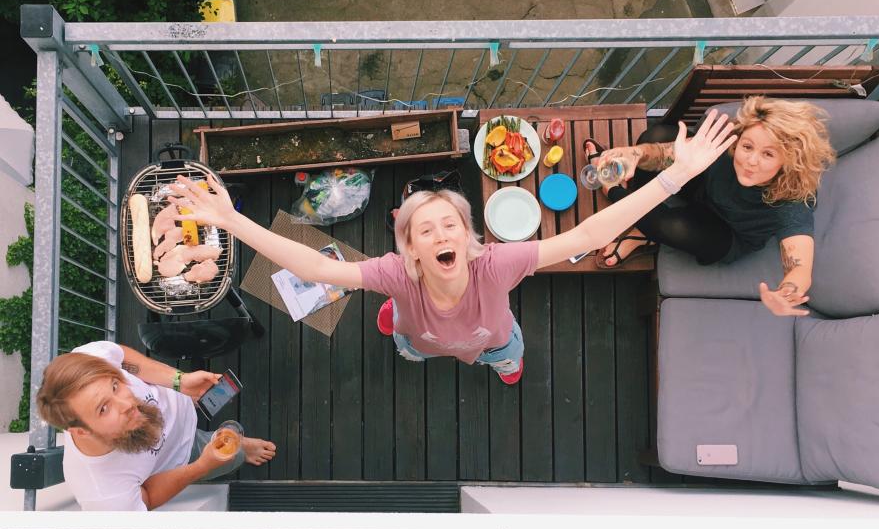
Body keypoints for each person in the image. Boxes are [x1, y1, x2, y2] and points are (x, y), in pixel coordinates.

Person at [170, 113, 736, 384]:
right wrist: (227, 220)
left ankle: (503, 365)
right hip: (424, 336)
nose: (443, 234)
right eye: (427, 229)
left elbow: (585, 238)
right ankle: (403, 334)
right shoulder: (397, 274)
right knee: (412, 346)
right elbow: (315, 264)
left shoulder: (499, 263)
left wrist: (672, 179)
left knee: (505, 355)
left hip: (491, 339)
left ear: (471, 240)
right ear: (411, 251)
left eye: (452, 226)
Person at [588, 96, 836, 317]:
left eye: (768, 154)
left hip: (726, 232)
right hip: (701, 187)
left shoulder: (794, 199)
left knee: (669, 226)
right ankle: (636, 203)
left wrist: (787, 292)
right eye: (747, 147)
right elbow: (664, 152)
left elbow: (799, 266)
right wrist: (635, 154)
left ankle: (618, 194)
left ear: (789, 160)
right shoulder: (729, 142)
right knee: (655, 136)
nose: (750, 161)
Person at [35, 341, 276, 511]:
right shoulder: (103, 493)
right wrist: (201, 466)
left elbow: (121, 356)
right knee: (233, 454)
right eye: (103, 408)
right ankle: (242, 447)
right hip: (184, 457)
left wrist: (179, 382)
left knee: (221, 439)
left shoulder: (88, 361)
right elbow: (147, 498)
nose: (128, 403)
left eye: (116, 386)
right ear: (80, 431)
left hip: (183, 405)